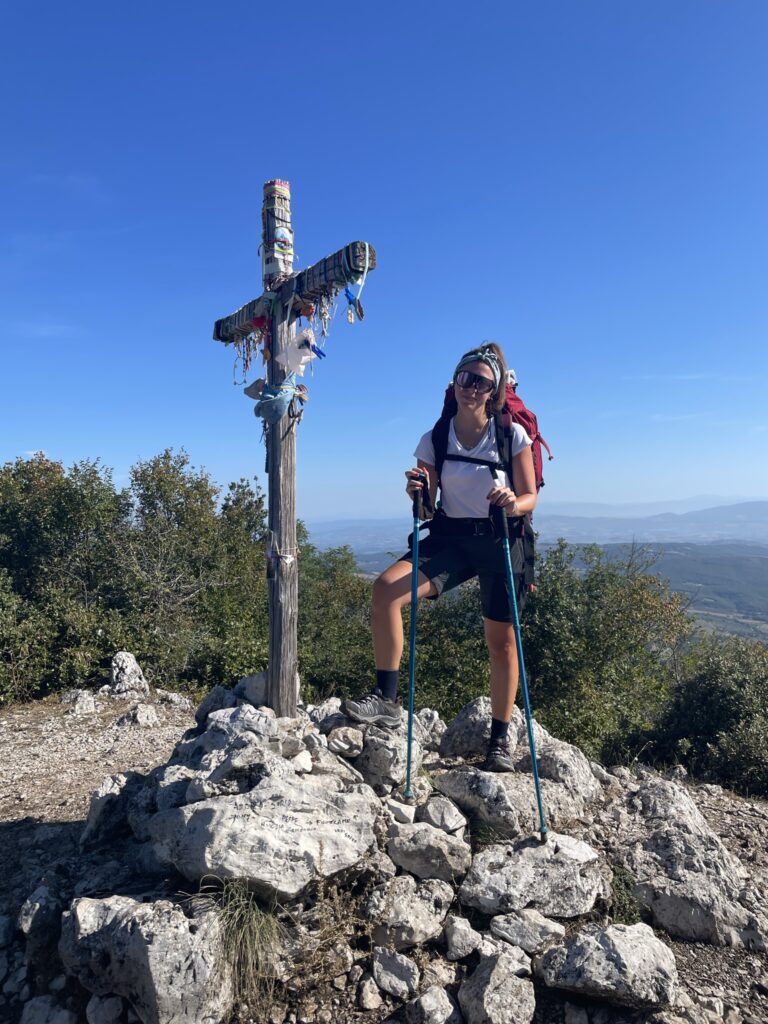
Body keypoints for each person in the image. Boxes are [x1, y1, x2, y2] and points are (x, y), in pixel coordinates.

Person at [342, 342, 537, 771]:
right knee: (385, 590)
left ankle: (500, 741)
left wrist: (511, 502)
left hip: (501, 539)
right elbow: (428, 507)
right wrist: (416, 493)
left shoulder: (511, 436)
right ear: (454, 383)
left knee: (501, 643)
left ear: (495, 391)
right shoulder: (434, 438)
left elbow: (530, 497)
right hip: (451, 536)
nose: (471, 387)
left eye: (482, 382)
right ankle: (386, 699)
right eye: (465, 378)